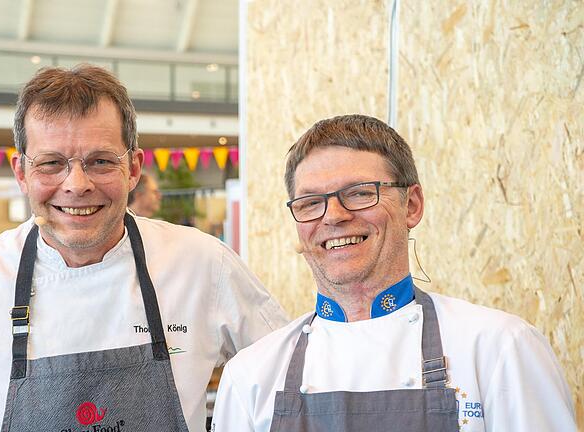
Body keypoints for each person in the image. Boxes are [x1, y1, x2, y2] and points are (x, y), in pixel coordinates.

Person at [0, 65, 288, 431]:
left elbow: (287, 382)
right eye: (52, 164)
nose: (77, 184)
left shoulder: (202, 264)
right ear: (21, 172)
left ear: (134, 168)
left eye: (101, 161)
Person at [211, 115, 576, 431]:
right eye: (310, 203)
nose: (334, 216)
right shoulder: (250, 376)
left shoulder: (500, 348)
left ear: (411, 206)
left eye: (358, 193)